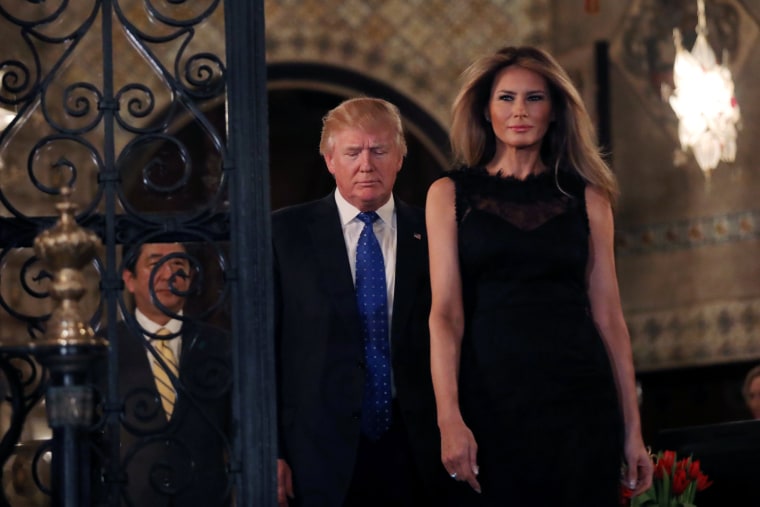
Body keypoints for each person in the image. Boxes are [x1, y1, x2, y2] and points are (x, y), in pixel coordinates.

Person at [426, 46, 653, 506]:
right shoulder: (449, 195)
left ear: (555, 112)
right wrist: (449, 418)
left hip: (579, 401)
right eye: (506, 98)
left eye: (535, 98)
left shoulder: (589, 199)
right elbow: (445, 315)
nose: (520, 111)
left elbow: (610, 318)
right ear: (486, 112)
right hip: (489, 400)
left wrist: (633, 432)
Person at [272, 97, 448, 507]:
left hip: (416, 448)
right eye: (353, 152)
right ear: (330, 159)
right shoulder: (284, 234)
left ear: (400, 157)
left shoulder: (435, 230)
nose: (366, 164)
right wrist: (271, 449)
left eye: (379, 150)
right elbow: (263, 348)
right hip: (315, 454)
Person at [104, 242, 232, 506]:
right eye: (155, 263)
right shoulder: (104, 348)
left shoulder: (221, 346)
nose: (168, 274)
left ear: (191, 277)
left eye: (178, 264)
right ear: (129, 280)